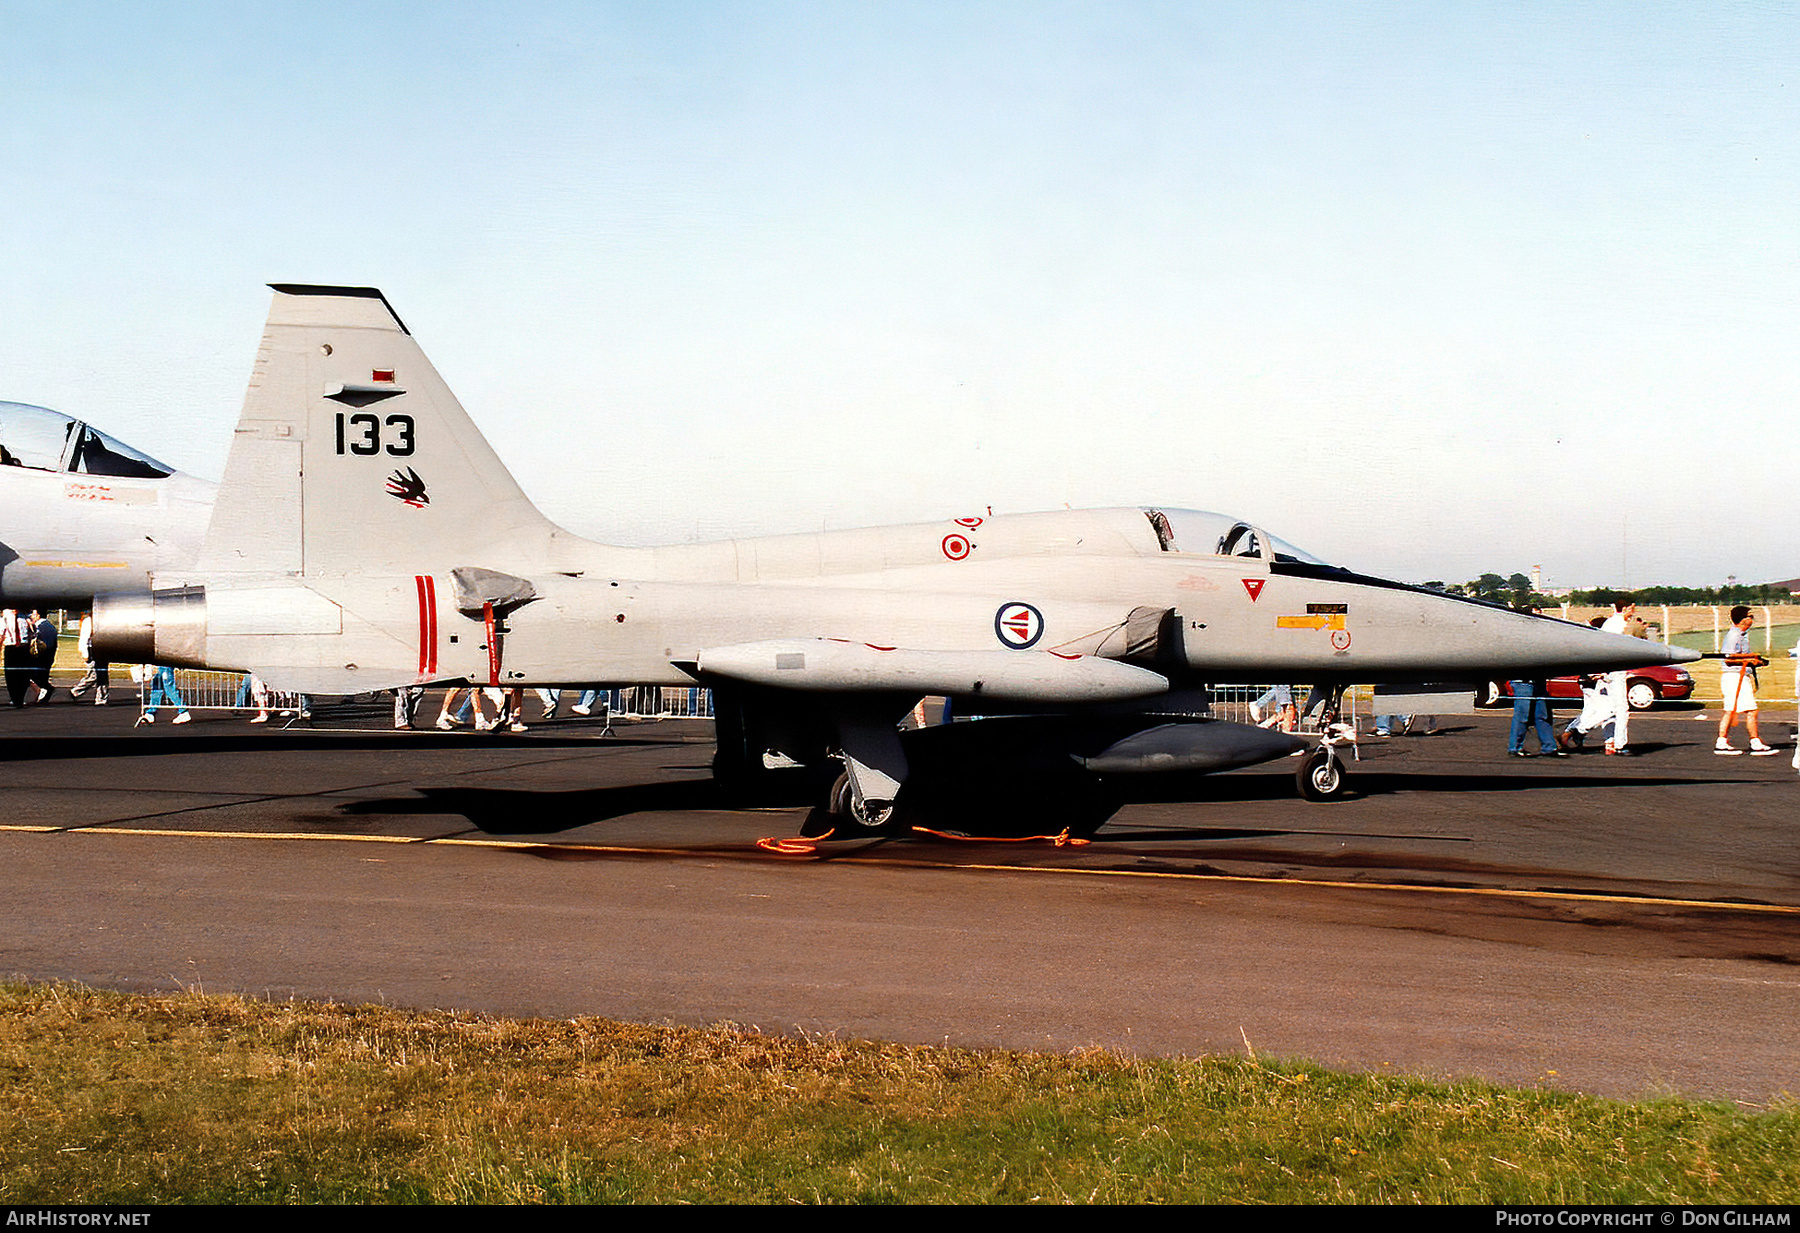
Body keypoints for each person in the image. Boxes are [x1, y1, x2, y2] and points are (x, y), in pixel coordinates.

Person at [1716, 606, 1777, 755]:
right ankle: (1754, 742)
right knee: (1748, 710)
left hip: (1740, 676)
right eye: (1750, 616)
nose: (1752, 619)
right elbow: (1728, 658)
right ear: (1742, 619)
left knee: (1734, 710)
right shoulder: (1734, 635)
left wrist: (1754, 660)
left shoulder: (1741, 635)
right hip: (1735, 676)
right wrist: (1749, 659)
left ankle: (1723, 741)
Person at [1599, 601, 1638, 755]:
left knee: (1608, 709)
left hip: (1608, 671)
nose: (1633, 613)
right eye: (1631, 609)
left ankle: (1610, 742)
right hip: (1615, 671)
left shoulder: (1610, 623)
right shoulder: (1618, 625)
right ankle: (1620, 744)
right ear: (1624, 609)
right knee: (1621, 709)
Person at [1507, 678, 1565, 758]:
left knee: (1542, 715)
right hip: (1523, 682)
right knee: (1522, 716)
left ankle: (1549, 748)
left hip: (1539, 681)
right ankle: (1515, 748)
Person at [69, 612, 109, 705]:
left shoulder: (103, 620)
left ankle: (102, 698)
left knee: (103, 675)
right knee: (93, 676)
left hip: (102, 648)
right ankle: (76, 691)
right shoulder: (88, 622)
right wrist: (85, 653)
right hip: (92, 650)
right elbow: (84, 638)